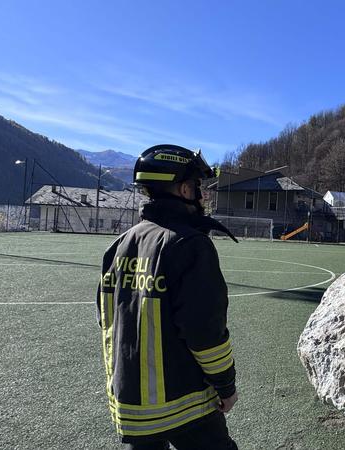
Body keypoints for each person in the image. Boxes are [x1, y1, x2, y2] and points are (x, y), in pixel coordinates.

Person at [97, 144, 239, 449]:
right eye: (198, 187)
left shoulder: (117, 246)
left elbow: (105, 319)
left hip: (131, 405)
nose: (202, 196)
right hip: (185, 403)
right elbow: (205, 333)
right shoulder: (191, 246)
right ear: (185, 189)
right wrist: (226, 385)